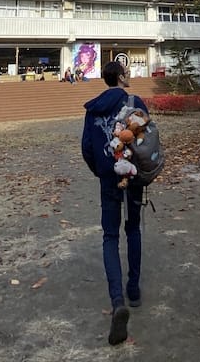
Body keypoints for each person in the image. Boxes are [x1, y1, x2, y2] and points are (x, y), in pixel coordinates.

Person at [81, 61, 147, 346]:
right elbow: (147, 138)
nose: (129, 76)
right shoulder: (136, 102)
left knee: (110, 235)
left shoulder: (93, 108)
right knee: (132, 229)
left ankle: (116, 298)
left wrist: (101, 170)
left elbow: (86, 147)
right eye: (127, 73)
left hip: (108, 178)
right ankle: (133, 289)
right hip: (134, 175)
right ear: (120, 77)